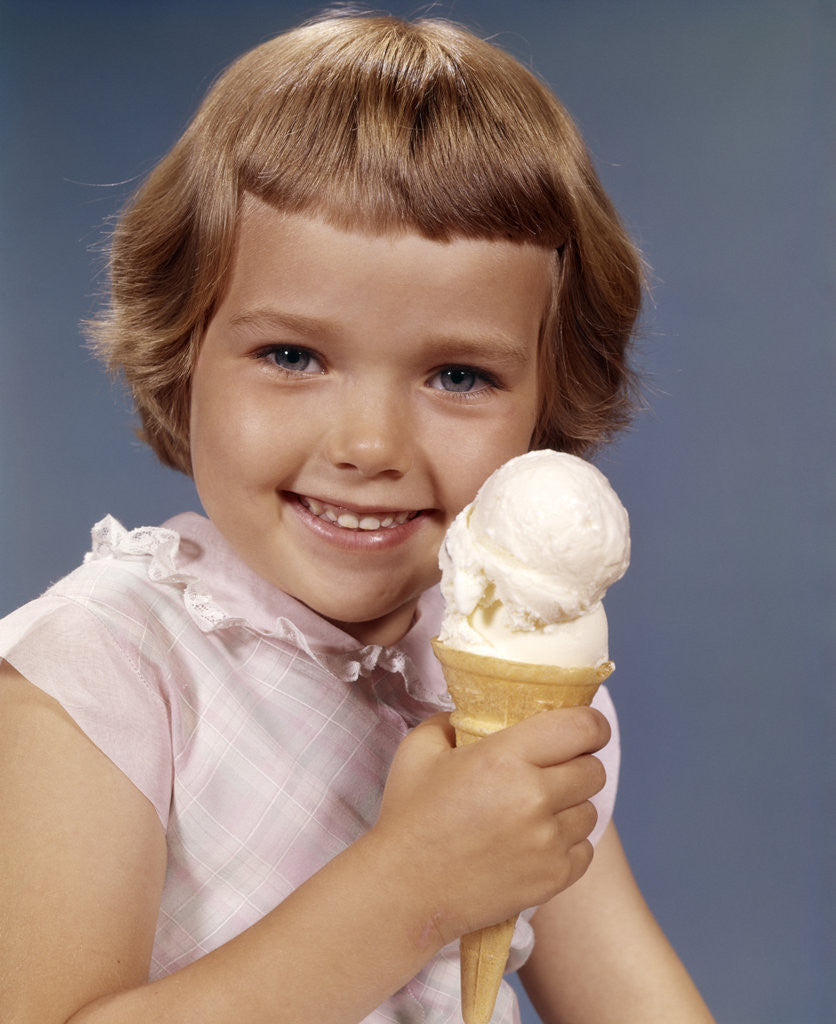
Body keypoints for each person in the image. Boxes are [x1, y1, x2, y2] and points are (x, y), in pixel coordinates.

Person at [0, 12, 715, 1024]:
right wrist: (412, 885)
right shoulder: (99, 670)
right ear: (182, 350)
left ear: (548, 407)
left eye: (457, 374)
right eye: (291, 356)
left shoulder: (505, 683)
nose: (369, 444)